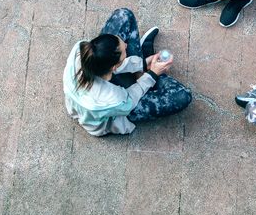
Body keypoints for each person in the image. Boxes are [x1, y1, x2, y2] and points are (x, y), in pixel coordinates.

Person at [63, 8, 192, 136]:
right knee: (182, 96)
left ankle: (145, 66)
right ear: (113, 67)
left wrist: (142, 64)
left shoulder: (81, 49)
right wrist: (153, 74)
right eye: (124, 50)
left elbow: (111, 64)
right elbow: (130, 99)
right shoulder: (114, 98)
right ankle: (157, 70)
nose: (126, 44)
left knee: (124, 15)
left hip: (102, 90)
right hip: (117, 109)